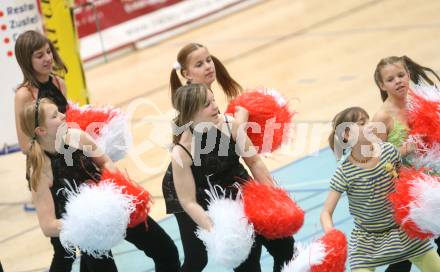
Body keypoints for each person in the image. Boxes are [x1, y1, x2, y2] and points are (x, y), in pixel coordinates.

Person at [20, 98, 180, 271]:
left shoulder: (77, 137)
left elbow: (106, 163)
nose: (63, 115)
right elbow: (48, 226)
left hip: (114, 206)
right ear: (41, 130)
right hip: (88, 230)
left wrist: (109, 193)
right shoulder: (40, 169)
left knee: (167, 252)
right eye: (54, 116)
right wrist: (88, 222)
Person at [169, 84, 294, 272]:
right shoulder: (182, 152)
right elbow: (188, 202)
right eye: (206, 104)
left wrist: (274, 196)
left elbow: (254, 162)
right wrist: (215, 230)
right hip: (227, 214)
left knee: (287, 250)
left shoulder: (230, 124)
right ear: (191, 113)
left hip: (252, 198)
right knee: (249, 267)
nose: (214, 106)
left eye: (213, 100)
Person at [321, 107, 440, 272]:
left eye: (368, 120)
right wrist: (330, 233)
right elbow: (326, 212)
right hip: (367, 243)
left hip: (405, 233)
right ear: (347, 135)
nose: (370, 125)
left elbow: (409, 175)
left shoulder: (389, 151)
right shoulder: (344, 172)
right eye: (362, 123)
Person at [372, 56, 440, 271]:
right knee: (406, 254)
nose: (398, 81)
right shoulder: (381, 117)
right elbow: (373, 159)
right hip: (405, 191)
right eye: (391, 79)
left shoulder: (420, 102)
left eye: (401, 75)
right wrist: (403, 149)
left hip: (432, 180)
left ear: (408, 75)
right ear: (382, 85)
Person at [14, 30, 68, 212]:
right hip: (45, 168)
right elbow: (24, 144)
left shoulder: (59, 83)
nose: (47, 58)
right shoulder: (24, 95)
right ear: (26, 61)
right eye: (39, 55)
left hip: (69, 158)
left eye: (48, 52)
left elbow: (66, 123)